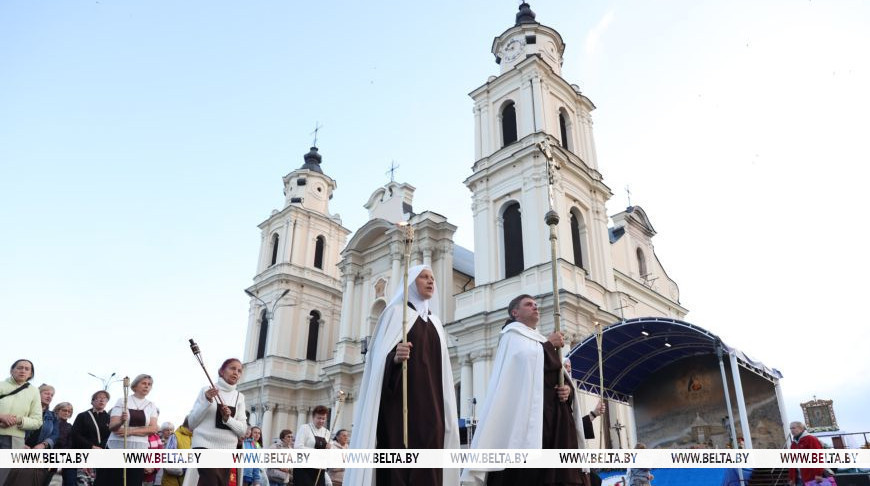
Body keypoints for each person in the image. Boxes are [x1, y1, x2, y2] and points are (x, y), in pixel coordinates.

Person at [461, 294, 601, 486]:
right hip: (527, 418)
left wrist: (567, 391)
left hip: (554, 419)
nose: (535, 307)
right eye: (528, 304)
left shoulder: (538, 340)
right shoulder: (511, 335)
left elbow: (553, 374)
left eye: (536, 304)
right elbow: (524, 362)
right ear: (515, 312)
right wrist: (549, 345)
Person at [345, 264, 460, 486]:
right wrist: (394, 358)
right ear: (410, 284)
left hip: (433, 407)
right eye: (424, 277)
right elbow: (376, 362)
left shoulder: (436, 323)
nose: (430, 281)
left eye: (432, 278)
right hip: (400, 407)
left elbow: (444, 373)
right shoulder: (395, 314)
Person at [184, 358, 247, 486]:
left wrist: (228, 419)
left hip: (227, 450)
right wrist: (207, 401)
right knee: (210, 480)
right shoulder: (206, 390)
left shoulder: (240, 397)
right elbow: (191, 422)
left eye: (239, 371)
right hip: (204, 445)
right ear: (221, 371)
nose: (236, 372)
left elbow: (242, 430)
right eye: (232, 368)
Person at [96, 374, 160, 486]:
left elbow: (153, 428)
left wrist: (129, 431)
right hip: (117, 448)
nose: (147, 386)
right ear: (135, 386)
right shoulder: (123, 401)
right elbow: (113, 427)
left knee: (132, 482)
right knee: (113, 481)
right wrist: (121, 421)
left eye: (149, 384)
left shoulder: (151, 405)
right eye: (144, 383)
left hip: (138, 452)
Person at [4, 383, 60, 486]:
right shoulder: (24, 409)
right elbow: (12, 426)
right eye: (46, 393)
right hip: (18, 449)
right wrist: (20, 444)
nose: (49, 397)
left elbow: (55, 435)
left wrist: (43, 445)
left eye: (52, 395)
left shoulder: (53, 416)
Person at [0, 359, 43, 485]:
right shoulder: (1, 385)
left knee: (3, 478)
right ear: (12, 370)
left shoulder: (34, 391)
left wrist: (18, 420)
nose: (23, 371)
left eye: (27, 369)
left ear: (30, 374)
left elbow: (37, 421)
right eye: (19, 367)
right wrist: (1, 416)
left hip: (14, 440)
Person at [71, 390, 111, 486]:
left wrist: (101, 448)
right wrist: (91, 446)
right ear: (92, 401)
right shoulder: (83, 416)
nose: (102, 400)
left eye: (105, 399)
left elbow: (111, 436)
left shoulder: (109, 418)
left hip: (102, 456)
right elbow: (75, 434)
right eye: (99, 398)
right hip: (85, 454)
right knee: (83, 482)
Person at [295, 406, 331, 486]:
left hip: (319, 469)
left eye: (323, 419)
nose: (321, 421)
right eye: (319, 418)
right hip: (304, 469)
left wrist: (328, 449)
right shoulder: (305, 428)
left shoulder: (327, 432)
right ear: (313, 417)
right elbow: (298, 447)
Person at [158, 417, 192, 486]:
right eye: (167, 430)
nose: (169, 432)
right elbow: (169, 461)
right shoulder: (174, 437)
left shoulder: (193, 437)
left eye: (171, 430)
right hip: (170, 478)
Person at [789, 421, 824, 486]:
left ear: (801, 428)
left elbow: (818, 456)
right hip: (799, 479)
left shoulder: (810, 439)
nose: (791, 430)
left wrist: (818, 473)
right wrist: (792, 478)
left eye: (793, 428)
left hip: (812, 477)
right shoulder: (793, 444)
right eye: (790, 428)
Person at [53, 401, 76, 486]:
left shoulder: (70, 427)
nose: (66, 413)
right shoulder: (50, 423)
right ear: (57, 410)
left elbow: (70, 444)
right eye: (64, 410)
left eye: (69, 411)